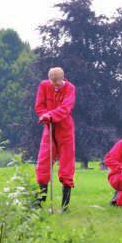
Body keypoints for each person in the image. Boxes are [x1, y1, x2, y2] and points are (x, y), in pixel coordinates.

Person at [35, 67, 76, 211]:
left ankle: (65, 206)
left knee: (66, 165)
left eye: (57, 83)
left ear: (63, 79)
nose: (55, 86)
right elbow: (39, 106)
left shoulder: (70, 88)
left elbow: (66, 108)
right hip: (49, 128)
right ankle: (40, 201)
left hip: (65, 130)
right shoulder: (44, 85)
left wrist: (51, 115)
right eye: (53, 83)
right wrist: (45, 116)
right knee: (43, 162)